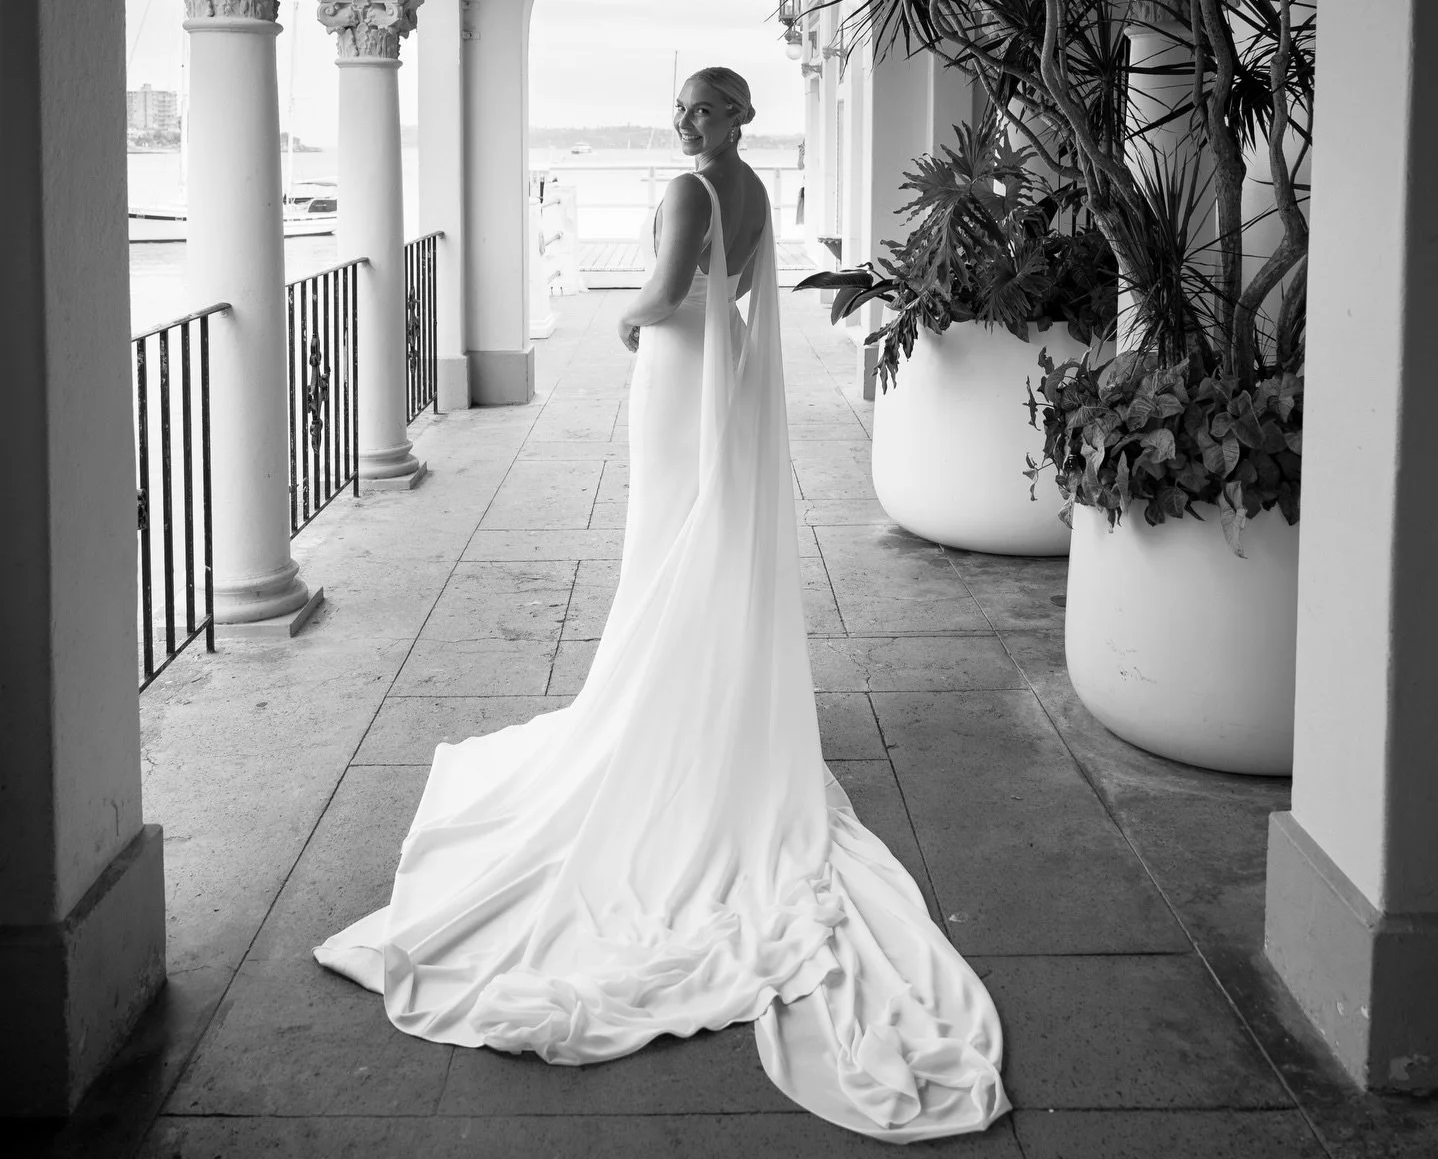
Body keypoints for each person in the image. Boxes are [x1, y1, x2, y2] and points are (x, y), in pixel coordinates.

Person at [316, 67, 1009, 1143]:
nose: (692, 121)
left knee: (660, 539)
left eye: (711, 107)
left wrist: (629, 324)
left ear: (739, 117)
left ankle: (654, 705)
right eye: (686, 106)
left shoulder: (691, 190)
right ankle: (691, 688)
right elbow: (730, 292)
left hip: (675, 366)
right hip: (712, 372)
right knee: (687, 534)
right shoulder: (756, 192)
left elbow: (666, 287)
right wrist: (674, 313)